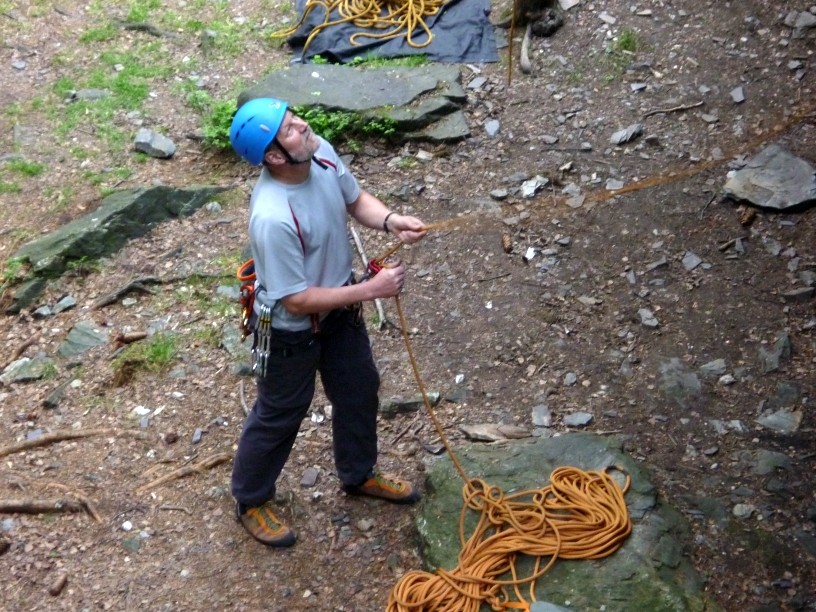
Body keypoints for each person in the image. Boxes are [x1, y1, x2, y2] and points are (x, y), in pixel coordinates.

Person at [228, 97, 427, 547]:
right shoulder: (273, 216)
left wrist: (391, 221)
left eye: (293, 116)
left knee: (359, 389)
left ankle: (358, 475)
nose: (302, 123)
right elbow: (296, 302)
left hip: (340, 311)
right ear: (275, 156)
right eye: (290, 127)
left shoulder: (319, 152)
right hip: (289, 332)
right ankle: (250, 498)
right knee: (281, 413)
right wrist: (371, 291)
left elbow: (354, 200)